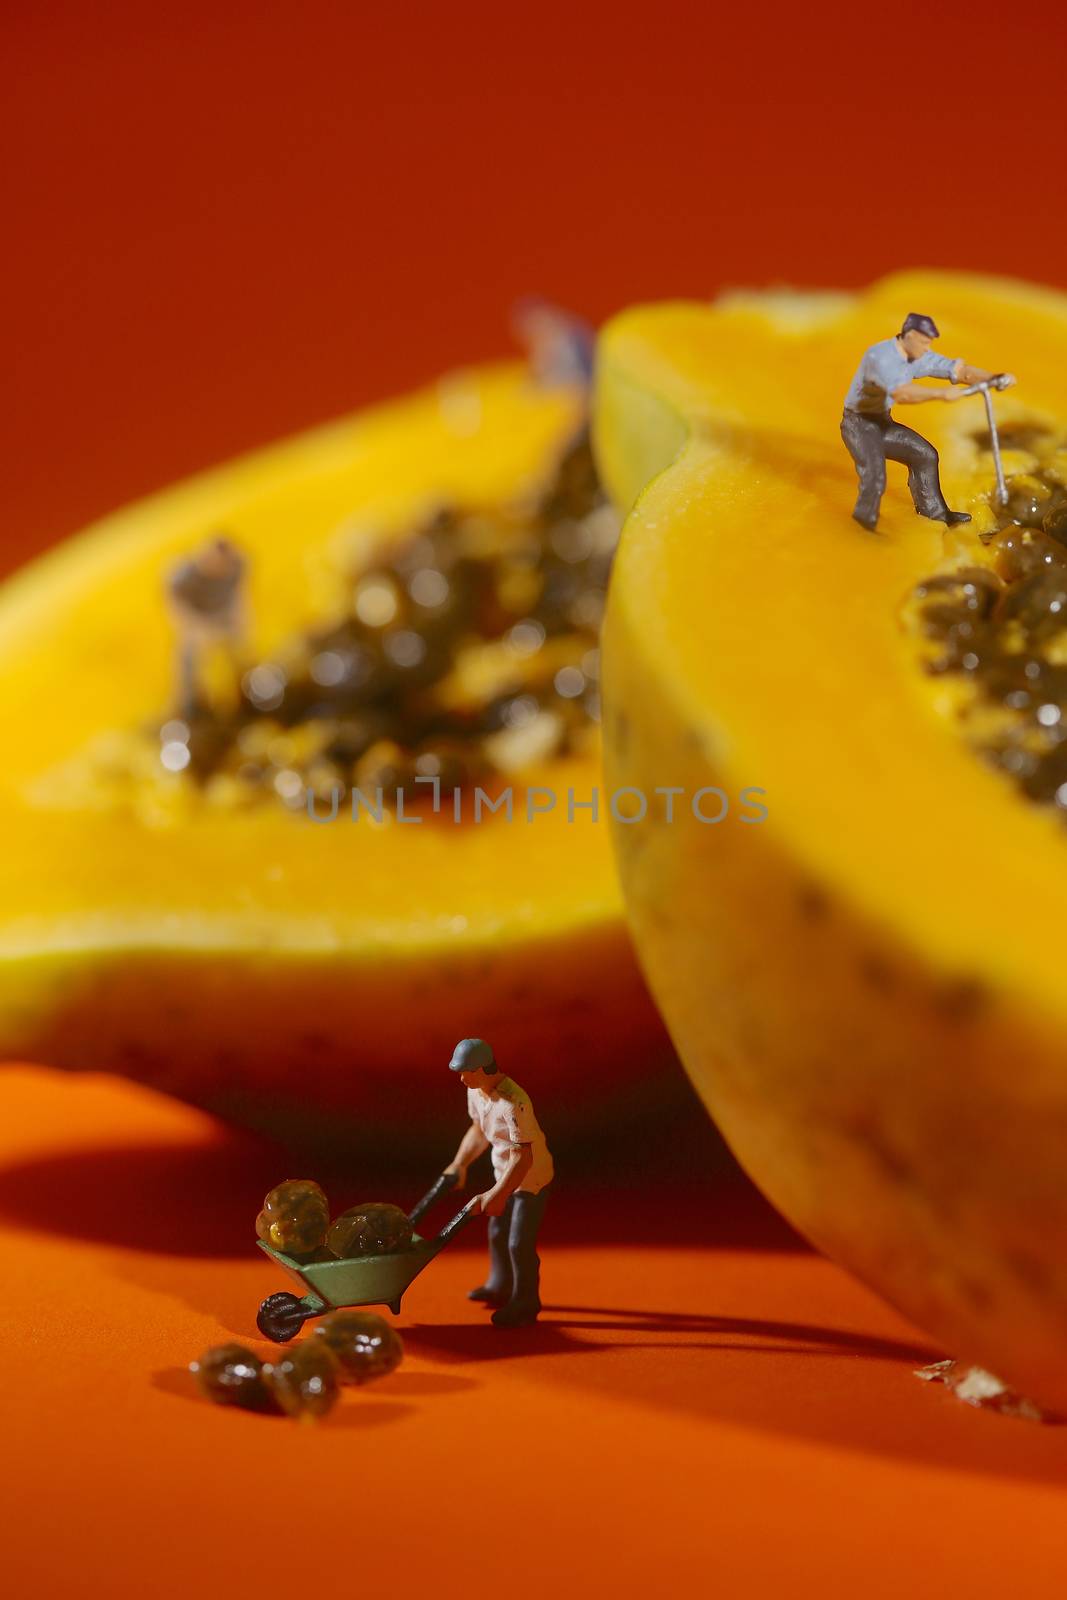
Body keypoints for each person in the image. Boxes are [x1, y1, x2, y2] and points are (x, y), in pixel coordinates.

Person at [841, 311, 1000, 532]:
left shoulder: (916, 354)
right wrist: (941, 394)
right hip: (858, 425)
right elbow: (902, 393)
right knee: (875, 476)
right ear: (911, 335)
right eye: (925, 342)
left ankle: (935, 514)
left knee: (925, 455)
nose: (927, 348)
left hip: (882, 422)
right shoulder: (879, 357)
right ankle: (863, 528)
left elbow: (959, 371)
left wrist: (993, 378)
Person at [443, 1037, 554, 1328]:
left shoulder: (515, 1102)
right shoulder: (477, 1092)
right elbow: (479, 1131)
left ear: (483, 1068)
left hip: (530, 1179)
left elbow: (523, 1157)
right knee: (496, 1233)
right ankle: (499, 1284)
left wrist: (498, 1193)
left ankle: (526, 1302)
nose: (462, 1078)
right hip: (503, 1173)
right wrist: (460, 1163)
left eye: (466, 1071)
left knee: (519, 1243)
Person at [165, 535, 248, 715]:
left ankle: (244, 688)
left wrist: (239, 616)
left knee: (239, 655)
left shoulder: (238, 564)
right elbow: (176, 605)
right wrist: (193, 627)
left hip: (225, 614)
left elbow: (239, 592)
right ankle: (189, 704)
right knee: (189, 661)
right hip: (197, 620)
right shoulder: (183, 576)